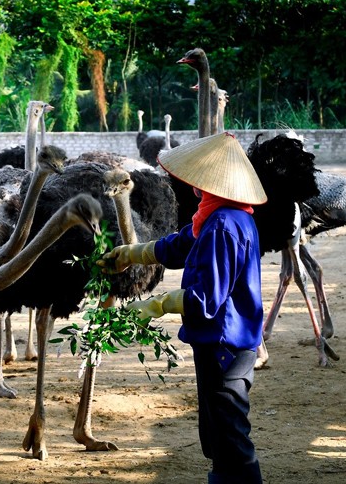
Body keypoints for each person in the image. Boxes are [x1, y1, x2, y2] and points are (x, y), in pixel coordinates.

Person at [99, 131, 267, 484]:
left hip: (226, 344)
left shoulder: (224, 225)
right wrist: (133, 254)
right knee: (218, 434)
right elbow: (181, 246)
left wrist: (154, 306)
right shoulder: (222, 215)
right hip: (222, 341)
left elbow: (204, 299)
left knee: (231, 438)